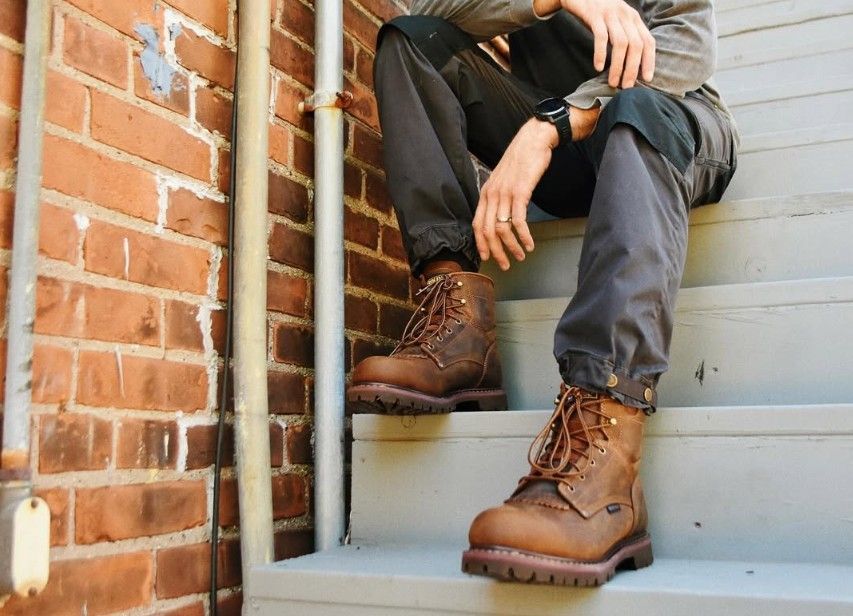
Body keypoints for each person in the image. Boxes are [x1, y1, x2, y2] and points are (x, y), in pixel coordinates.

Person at [347, 0, 739, 586]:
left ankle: (607, 437)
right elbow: (432, 10)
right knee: (409, 41)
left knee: (635, 106)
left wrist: (552, 123)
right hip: (572, 154)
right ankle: (457, 318)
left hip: (670, 124)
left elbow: (688, 47)